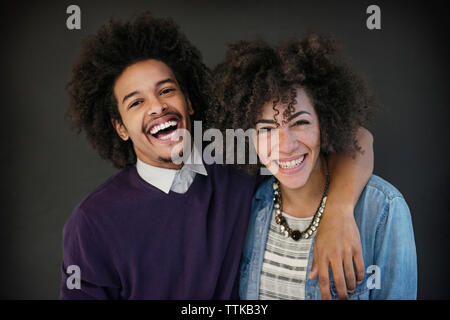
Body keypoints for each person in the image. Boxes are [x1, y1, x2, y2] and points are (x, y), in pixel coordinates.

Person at [61, 12, 373, 299]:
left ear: (190, 102)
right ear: (121, 128)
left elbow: (356, 138)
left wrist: (338, 214)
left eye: (166, 90)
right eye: (135, 103)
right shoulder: (92, 222)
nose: (157, 107)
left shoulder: (237, 160)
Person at [211, 35, 417, 299]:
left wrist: (339, 211)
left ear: (326, 124)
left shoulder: (382, 210)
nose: (286, 145)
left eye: (300, 122)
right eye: (266, 129)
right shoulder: (252, 205)